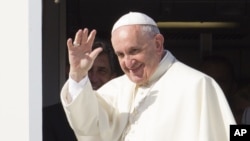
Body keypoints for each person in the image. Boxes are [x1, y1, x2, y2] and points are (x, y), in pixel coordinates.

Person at [61, 12, 236, 141]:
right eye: (120, 55)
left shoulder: (197, 85)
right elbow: (88, 128)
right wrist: (78, 75)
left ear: (158, 44)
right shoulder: (116, 89)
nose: (128, 62)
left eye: (134, 51)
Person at [43, 39, 121, 141]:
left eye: (102, 71)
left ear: (112, 78)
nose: (94, 78)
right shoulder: (49, 118)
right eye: (87, 70)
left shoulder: (122, 115)